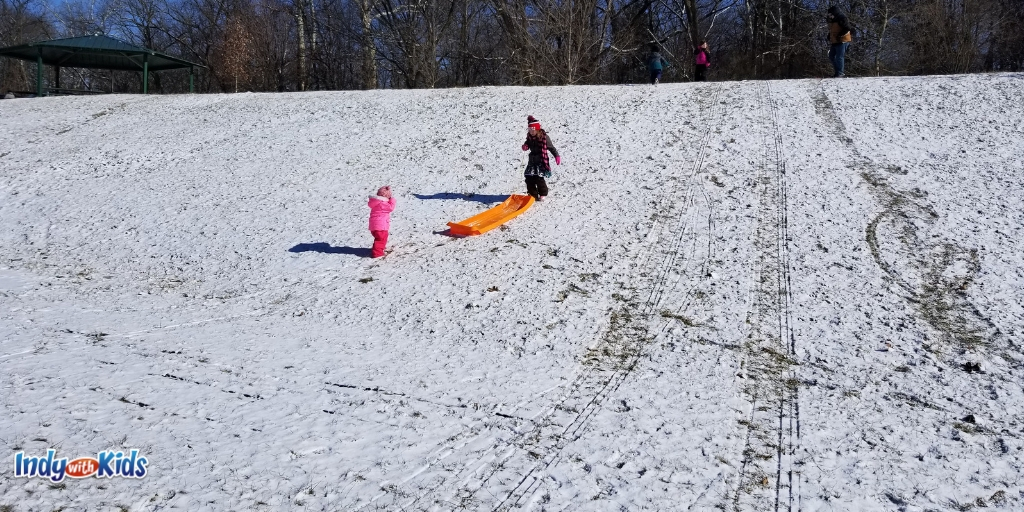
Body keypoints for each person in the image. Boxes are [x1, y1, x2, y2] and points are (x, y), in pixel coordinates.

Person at [522, 116, 561, 202]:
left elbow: (551, 148)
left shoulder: (544, 137)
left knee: (539, 178)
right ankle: (533, 195)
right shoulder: (529, 137)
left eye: (533, 130)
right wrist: (525, 146)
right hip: (532, 160)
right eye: (529, 130)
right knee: (528, 177)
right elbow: (527, 143)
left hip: (541, 160)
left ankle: (543, 193)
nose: (531, 132)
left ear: (537, 129)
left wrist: (556, 156)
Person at [368, 185, 395, 258]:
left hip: (374, 226)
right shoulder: (383, 203)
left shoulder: (375, 202)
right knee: (381, 239)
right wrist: (392, 200)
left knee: (379, 238)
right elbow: (391, 208)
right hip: (380, 226)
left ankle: (379, 248)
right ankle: (377, 253)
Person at [827, 6, 852, 77]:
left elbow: (847, 28)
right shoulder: (833, 20)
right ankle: (837, 72)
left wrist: (839, 35)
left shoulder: (842, 18)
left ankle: (840, 73)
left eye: (830, 14)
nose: (830, 16)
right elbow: (834, 29)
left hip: (843, 40)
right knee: (831, 56)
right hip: (835, 41)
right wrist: (829, 35)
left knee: (839, 57)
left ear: (834, 13)